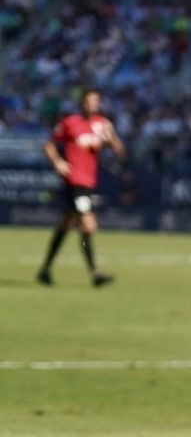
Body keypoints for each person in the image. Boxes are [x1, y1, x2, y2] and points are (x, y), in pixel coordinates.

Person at [38, 87, 123, 287]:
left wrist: (113, 138)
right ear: (82, 103)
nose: (91, 104)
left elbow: (121, 153)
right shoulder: (70, 123)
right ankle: (95, 273)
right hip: (74, 181)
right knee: (88, 225)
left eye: (95, 101)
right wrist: (58, 162)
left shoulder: (102, 125)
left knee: (65, 225)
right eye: (88, 101)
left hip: (88, 182)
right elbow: (49, 145)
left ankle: (45, 269)